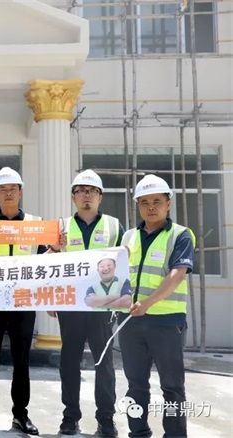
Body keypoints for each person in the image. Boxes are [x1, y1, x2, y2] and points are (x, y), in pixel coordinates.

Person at [0, 167, 62, 435]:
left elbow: (47, 261)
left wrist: (55, 248)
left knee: (21, 361)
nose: (8, 193)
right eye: (3, 189)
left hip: (23, 301)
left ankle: (20, 414)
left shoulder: (36, 223)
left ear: (21, 192)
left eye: (13, 188)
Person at [47, 169, 129, 437]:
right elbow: (46, 265)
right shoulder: (60, 227)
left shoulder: (115, 227)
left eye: (92, 191)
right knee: (69, 361)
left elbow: (125, 264)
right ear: (73, 197)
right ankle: (70, 417)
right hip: (70, 306)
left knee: (104, 362)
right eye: (81, 191)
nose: (86, 196)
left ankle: (106, 418)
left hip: (103, 307)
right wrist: (51, 297)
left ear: (100, 197)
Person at [119, 174, 195, 438]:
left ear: (168, 203)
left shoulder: (180, 235)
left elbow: (176, 275)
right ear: (138, 205)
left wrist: (148, 303)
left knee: (172, 386)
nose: (151, 207)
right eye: (144, 202)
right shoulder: (129, 236)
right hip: (131, 322)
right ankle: (138, 433)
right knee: (135, 385)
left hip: (167, 321)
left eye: (157, 201)